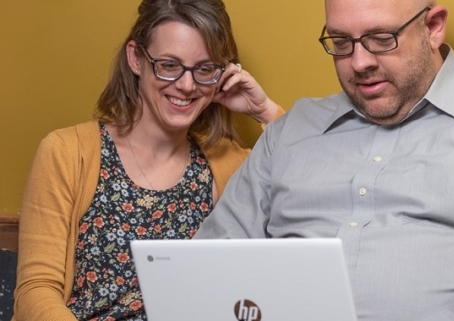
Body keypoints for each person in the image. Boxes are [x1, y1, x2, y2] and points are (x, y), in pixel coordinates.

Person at [194, 0, 454, 320]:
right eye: (342, 43)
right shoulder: (289, 132)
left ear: (433, 26)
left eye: (381, 38)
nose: (360, 62)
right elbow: (208, 262)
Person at [14, 0, 283, 320]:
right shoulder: (66, 153)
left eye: (204, 69)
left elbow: (314, 195)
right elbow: (37, 288)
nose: (186, 85)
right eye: (169, 65)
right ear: (135, 58)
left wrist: (264, 110)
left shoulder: (231, 166)